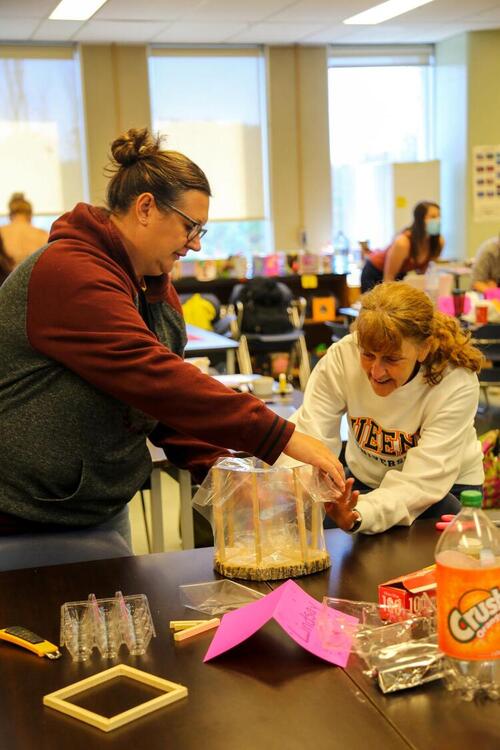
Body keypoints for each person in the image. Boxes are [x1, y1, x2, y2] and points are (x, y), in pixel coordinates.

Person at [0, 127, 344, 547]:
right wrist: (280, 436)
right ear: (146, 207)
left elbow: (165, 407)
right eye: (190, 226)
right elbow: (154, 375)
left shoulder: (156, 292)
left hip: (94, 508)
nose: (194, 245)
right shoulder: (67, 272)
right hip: (22, 515)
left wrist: (225, 469)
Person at [281, 281, 484, 534]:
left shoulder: (454, 380)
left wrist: (361, 514)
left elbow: (421, 482)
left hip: (444, 486)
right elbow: (313, 439)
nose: (376, 372)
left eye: (391, 359)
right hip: (365, 483)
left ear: (424, 348)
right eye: (368, 355)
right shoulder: (343, 357)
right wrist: (294, 494)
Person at [360, 201, 444, 293]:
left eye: (439, 216)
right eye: (433, 217)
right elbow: (388, 277)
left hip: (399, 275)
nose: (438, 220)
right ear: (420, 220)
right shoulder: (403, 242)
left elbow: (422, 274)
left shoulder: (439, 242)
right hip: (375, 273)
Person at [0, 193, 49, 267]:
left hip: (6, 277)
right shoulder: (43, 235)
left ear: (10, 215)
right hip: (33, 277)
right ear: (30, 215)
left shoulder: (1, 233)